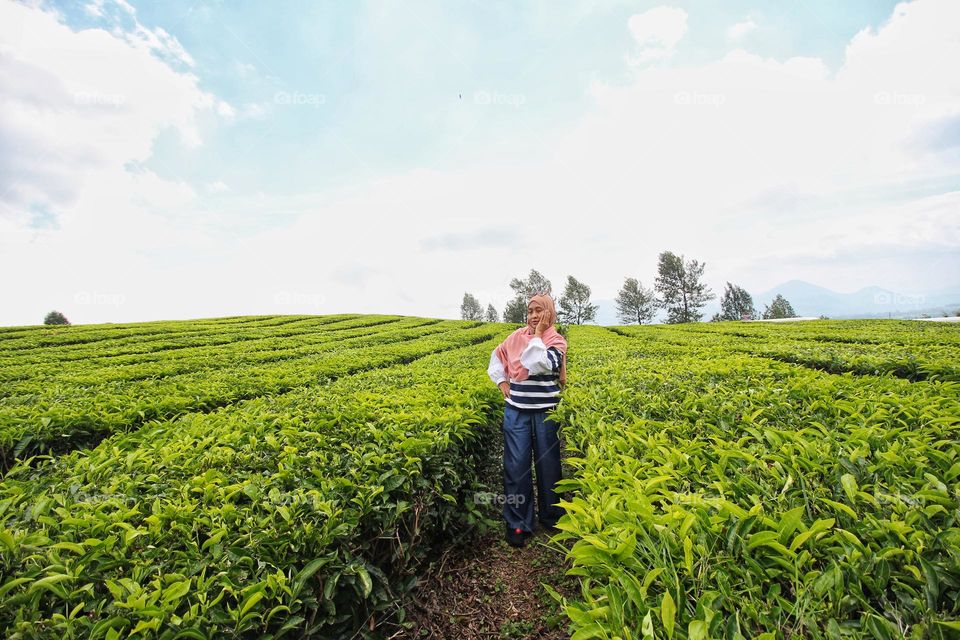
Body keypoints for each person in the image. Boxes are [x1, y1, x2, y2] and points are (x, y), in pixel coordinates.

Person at [487, 293, 567, 547]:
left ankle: (551, 516)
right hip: (517, 411)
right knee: (515, 467)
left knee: (549, 467)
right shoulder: (514, 338)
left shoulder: (556, 341)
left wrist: (537, 335)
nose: (533, 316)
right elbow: (496, 359)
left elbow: (539, 363)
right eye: (530, 311)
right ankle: (517, 523)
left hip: (546, 412)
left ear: (550, 313)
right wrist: (501, 382)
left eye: (539, 310)